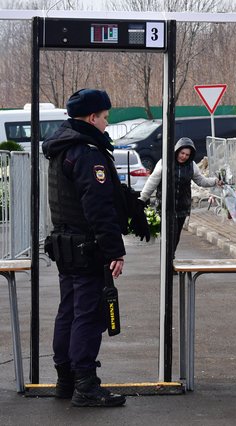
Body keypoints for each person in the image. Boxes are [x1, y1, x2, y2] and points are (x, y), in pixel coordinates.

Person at [43, 89, 128, 407]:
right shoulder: (88, 152)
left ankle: (66, 380)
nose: (106, 123)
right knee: (89, 316)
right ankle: (86, 385)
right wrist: (114, 250)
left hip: (66, 245)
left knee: (68, 311)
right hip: (87, 247)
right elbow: (98, 206)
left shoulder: (61, 148)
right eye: (105, 117)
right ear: (92, 117)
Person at [139, 137, 220, 256]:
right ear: (177, 150)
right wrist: (142, 199)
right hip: (166, 207)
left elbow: (201, 181)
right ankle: (168, 261)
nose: (184, 156)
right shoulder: (164, 162)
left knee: (176, 237)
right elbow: (152, 182)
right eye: (182, 153)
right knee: (170, 235)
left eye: (187, 154)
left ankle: (170, 259)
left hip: (182, 207)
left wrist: (215, 181)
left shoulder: (192, 165)